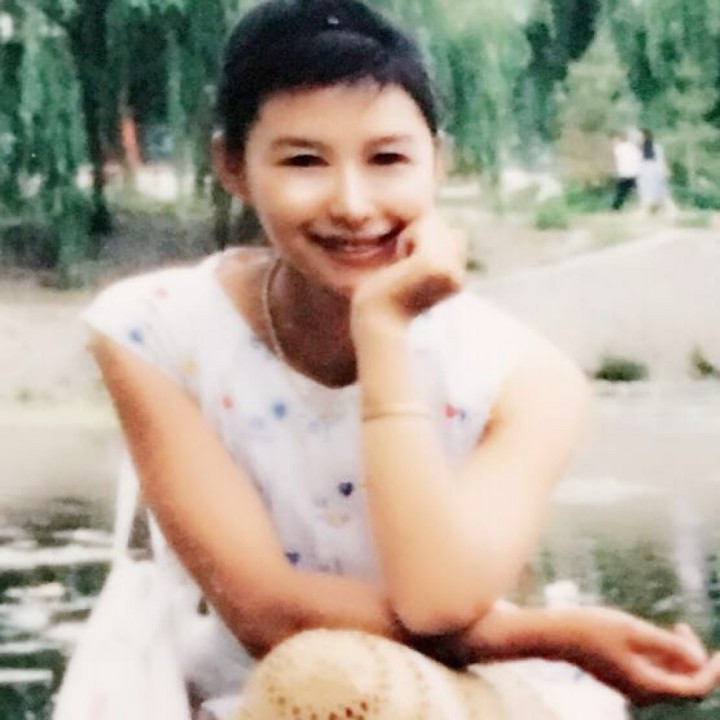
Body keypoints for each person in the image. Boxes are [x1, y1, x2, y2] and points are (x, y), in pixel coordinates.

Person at [83, 1, 720, 718]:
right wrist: (553, 635)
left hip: (452, 700)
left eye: (387, 159)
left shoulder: (527, 381)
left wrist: (382, 332)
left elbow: (436, 599)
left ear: (437, 163)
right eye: (303, 161)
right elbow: (266, 614)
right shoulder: (153, 331)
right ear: (232, 166)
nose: (354, 205)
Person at [637, 129, 672, 215]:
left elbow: (660, 159)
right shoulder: (638, 148)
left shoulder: (655, 147)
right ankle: (649, 210)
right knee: (645, 191)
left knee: (658, 192)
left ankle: (665, 209)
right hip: (643, 172)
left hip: (654, 171)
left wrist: (665, 170)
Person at [610, 131, 641, 211]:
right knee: (639, 192)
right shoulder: (633, 147)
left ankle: (616, 208)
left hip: (624, 173)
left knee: (621, 193)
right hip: (635, 173)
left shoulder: (618, 148)